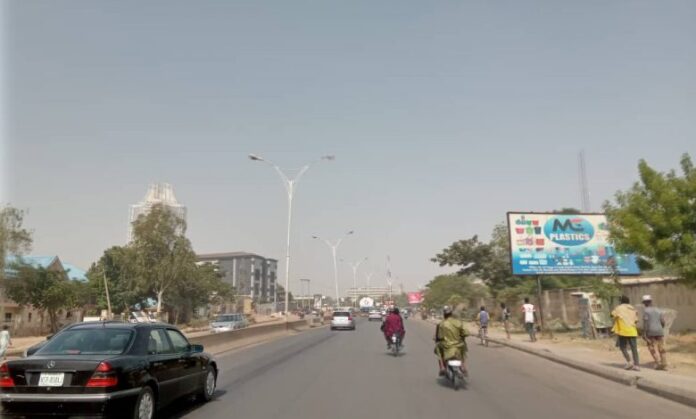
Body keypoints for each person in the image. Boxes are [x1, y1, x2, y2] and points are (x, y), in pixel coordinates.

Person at [434, 305, 468, 377]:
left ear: (444, 314)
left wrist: (437, 339)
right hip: (458, 344)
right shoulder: (458, 322)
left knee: (437, 348)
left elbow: (439, 337)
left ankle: (442, 367)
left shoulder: (441, 324)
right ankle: (463, 366)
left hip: (446, 345)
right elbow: (466, 333)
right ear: (451, 313)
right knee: (464, 348)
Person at [612, 295, 640, 371]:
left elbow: (612, 315)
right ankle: (637, 365)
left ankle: (629, 361)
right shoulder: (633, 308)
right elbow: (636, 320)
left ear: (621, 301)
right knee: (634, 348)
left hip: (623, 331)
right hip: (632, 330)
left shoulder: (618, 308)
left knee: (622, 347)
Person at [642, 295, 667, 370]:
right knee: (661, 347)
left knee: (651, 347)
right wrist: (660, 328)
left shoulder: (646, 311)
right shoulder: (658, 310)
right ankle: (664, 362)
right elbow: (663, 321)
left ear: (645, 303)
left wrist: (644, 333)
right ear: (651, 301)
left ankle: (658, 362)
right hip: (659, 331)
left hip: (650, 332)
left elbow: (646, 323)